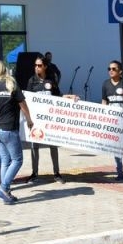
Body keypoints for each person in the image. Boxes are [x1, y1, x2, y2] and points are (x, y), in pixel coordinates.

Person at [0, 60, 34, 205]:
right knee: (17, 160)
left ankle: (6, 192)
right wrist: (29, 119)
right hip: (8, 129)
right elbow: (22, 103)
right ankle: (4, 188)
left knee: (6, 160)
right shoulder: (11, 84)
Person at [26, 55, 77, 184]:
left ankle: (57, 173)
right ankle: (34, 174)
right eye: (35, 65)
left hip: (49, 121)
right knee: (34, 147)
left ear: (45, 67)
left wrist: (70, 97)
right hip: (36, 121)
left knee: (53, 146)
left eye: (39, 65)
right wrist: (28, 119)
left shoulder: (50, 81)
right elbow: (27, 99)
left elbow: (58, 96)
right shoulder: (31, 81)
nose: (37, 68)